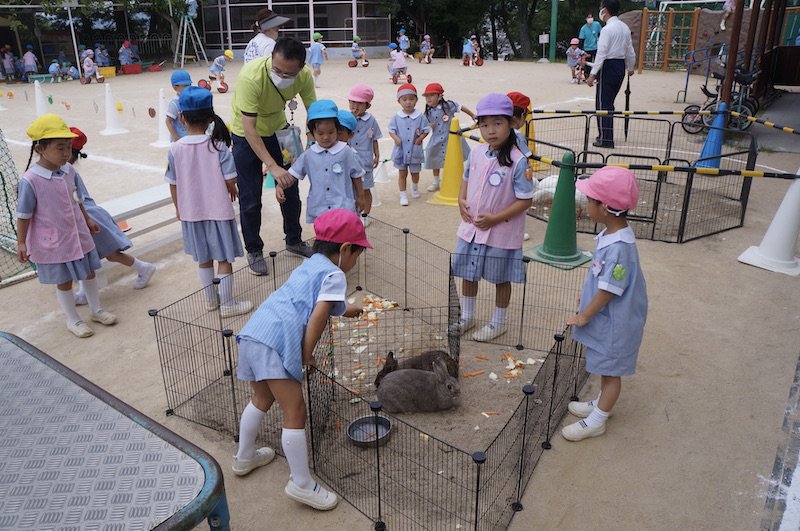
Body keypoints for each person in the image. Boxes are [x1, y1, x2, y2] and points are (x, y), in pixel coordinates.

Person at [233, 208, 370, 510]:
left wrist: (348, 309)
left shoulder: (312, 264)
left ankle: (244, 458)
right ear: (345, 250)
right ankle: (302, 484)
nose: (354, 263)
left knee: (260, 399)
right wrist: (306, 355)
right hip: (277, 342)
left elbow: (316, 300)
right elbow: (319, 314)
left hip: (255, 332)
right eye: (356, 256)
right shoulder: (335, 273)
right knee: (295, 411)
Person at [562, 166, 647, 441]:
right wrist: (585, 295)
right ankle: (599, 404)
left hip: (615, 322)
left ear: (606, 207)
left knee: (611, 372)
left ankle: (598, 419)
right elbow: (600, 277)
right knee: (604, 365)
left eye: (590, 200)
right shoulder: (611, 236)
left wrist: (585, 314)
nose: (586, 205)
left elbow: (610, 289)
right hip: (609, 317)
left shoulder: (619, 247)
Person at [16, 114, 117, 338]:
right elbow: (23, 214)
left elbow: (76, 198)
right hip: (54, 241)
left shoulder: (69, 171)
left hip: (78, 233)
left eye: (68, 147)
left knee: (89, 272)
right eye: (60, 148)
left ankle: (96, 310)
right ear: (40, 149)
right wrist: (21, 242)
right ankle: (73, 319)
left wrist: (88, 220)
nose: (66, 154)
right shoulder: (30, 180)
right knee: (64, 281)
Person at [450, 93, 535, 342]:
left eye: (498, 123)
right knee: (468, 272)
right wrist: (460, 201)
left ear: (511, 123)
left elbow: (526, 199)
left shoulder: (519, 162)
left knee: (501, 277)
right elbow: (466, 179)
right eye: (485, 124)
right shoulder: (476, 152)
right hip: (472, 228)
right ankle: (467, 316)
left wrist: (496, 218)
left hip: (501, 232)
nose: (490, 131)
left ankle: (499, 322)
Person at [230, 37, 317, 276]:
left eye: (289, 74)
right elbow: (249, 129)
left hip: (281, 131)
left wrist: (311, 140)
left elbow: (314, 111)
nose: (282, 76)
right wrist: (272, 166)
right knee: (250, 197)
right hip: (245, 136)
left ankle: (294, 240)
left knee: (291, 188)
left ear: (300, 68)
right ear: (271, 58)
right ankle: (254, 250)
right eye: (277, 70)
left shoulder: (305, 76)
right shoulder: (252, 76)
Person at [165, 86, 253, 318]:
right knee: (223, 258)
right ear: (211, 118)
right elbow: (230, 178)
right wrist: (231, 187)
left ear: (182, 118)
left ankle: (210, 300)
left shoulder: (174, 149)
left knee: (203, 259)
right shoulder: (219, 147)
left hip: (191, 213)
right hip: (218, 211)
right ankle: (228, 304)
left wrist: (178, 207)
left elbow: (173, 183)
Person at [68, 127, 157, 303]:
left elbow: (76, 201)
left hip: (86, 216)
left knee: (88, 256)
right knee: (102, 254)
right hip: (89, 214)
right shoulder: (66, 170)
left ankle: (143, 268)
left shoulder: (65, 172)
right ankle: (143, 268)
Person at [281, 100, 365, 222]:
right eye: (320, 133)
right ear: (313, 133)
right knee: (324, 240)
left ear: (337, 129)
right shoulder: (308, 155)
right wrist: (280, 186)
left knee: (344, 239)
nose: (326, 137)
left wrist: (361, 197)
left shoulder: (346, 152)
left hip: (342, 209)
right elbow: (293, 174)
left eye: (331, 132)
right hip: (319, 210)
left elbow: (357, 174)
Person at [586, 0, 636, 149]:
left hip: (608, 66)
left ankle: (606, 138)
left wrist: (592, 74)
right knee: (609, 102)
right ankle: (605, 135)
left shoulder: (607, 30)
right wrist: (630, 67)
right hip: (620, 66)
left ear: (605, 10)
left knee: (603, 104)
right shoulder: (624, 27)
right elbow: (630, 50)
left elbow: (601, 53)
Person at [422, 82, 476, 192]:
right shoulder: (428, 112)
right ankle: (436, 182)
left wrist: (472, 115)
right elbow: (423, 125)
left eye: (432, 95)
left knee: (455, 158)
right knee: (434, 157)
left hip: (452, 138)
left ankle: (459, 179)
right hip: (437, 138)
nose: (428, 98)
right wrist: (428, 126)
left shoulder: (448, 106)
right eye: (427, 96)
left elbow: (461, 107)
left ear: (440, 96)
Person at [387, 83, 430, 206]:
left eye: (411, 99)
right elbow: (391, 130)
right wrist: (395, 138)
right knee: (402, 173)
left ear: (416, 100)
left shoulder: (420, 117)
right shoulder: (397, 117)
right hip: (401, 150)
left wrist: (420, 138)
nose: (408, 102)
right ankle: (403, 194)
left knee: (415, 173)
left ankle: (414, 187)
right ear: (399, 101)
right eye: (404, 99)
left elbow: (426, 129)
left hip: (414, 150)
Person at [347, 84, 382, 224]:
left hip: (365, 161)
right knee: (351, 189)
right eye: (352, 101)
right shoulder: (345, 118)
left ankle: (365, 215)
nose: (355, 106)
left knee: (366, 189)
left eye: (360, 103)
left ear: (368, 106)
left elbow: (374, 139)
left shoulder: (371, 120)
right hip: (349, 161)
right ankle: (353, 213)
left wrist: (377, 155)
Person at [166, 70, 192, 142]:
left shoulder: (191, 99)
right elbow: (168, 121)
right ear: (175, 87)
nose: (188, 88)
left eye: (189, 85)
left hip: (191, 138)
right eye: (185, 86)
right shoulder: (175, 103)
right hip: (180, 140)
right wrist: (175, 137)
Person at [506, 91, 533, 158]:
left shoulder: (499, 131)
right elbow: (526, 157)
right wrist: (529, 151)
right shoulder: (518, 137)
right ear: (522, 115)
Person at [579, 12, 603, 78]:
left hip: (596, 47)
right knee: (587, 64)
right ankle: (587, 76)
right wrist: (581, 50)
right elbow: (581, 39)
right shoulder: (583, 28)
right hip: (587, 48)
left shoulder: (597, 24)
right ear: (586, 18)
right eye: (589, 17)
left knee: (597, 62)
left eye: (591, 17)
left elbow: (601, 33)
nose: (590, 19)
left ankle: (597, 76)